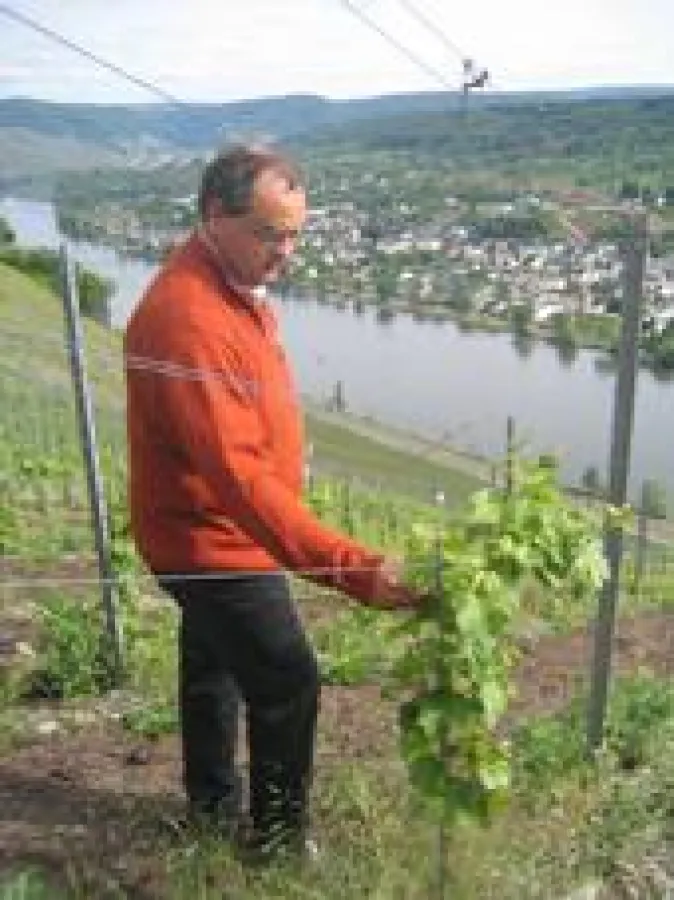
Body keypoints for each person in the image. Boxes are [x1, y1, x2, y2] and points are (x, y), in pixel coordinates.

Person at [123, 144, 422, 861]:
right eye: (269, 234)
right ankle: (279, 847)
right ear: (212, 217)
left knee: (215, 661)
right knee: (287, 678)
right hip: (213, 540)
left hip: (215, 529)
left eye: (294, 234)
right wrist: (354, 570)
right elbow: (239, 479)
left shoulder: (228, 282)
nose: (284, 253)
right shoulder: (189, 318)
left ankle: (211, 805)